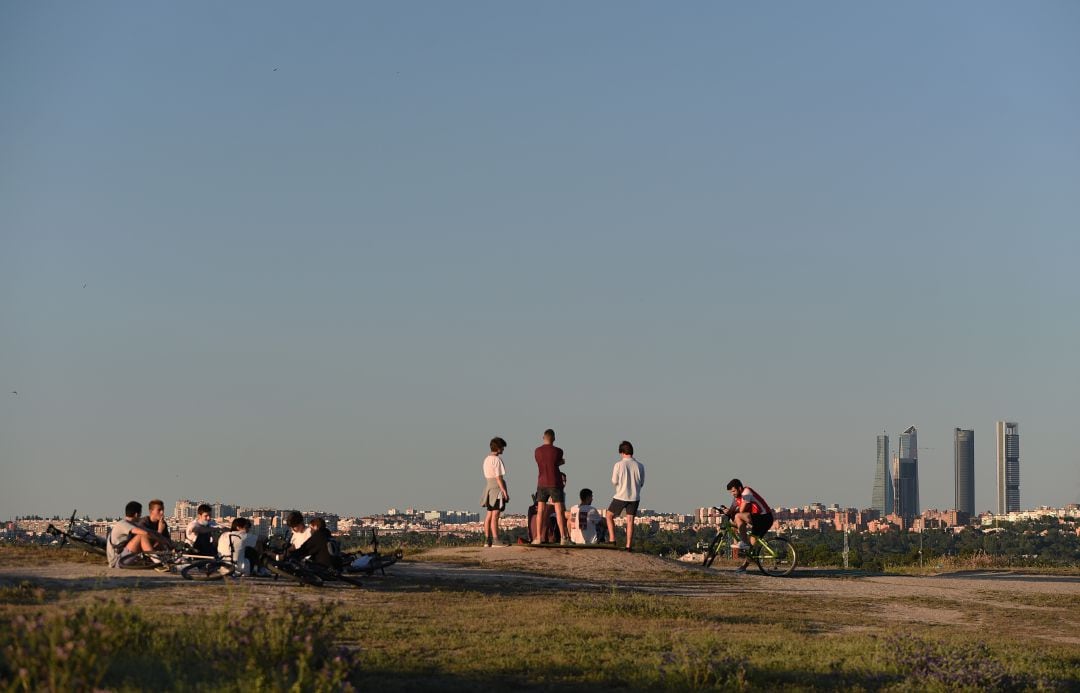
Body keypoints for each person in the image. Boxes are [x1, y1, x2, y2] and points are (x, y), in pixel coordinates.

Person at [723, 478, 774, 573]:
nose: (732, 494)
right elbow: (732, 509)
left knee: (738, 516)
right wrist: (726, 511)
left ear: (739, 488)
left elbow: (741, 510)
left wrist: (732, 512)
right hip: (758, 519)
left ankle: (743, 542)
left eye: (733, 491)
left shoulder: (746, 493)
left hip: (764, 518)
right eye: (731, 492)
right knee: (751, 546)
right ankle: (743, 567)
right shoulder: (737, 497)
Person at [605, 441, 645, 551]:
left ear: (622, 452)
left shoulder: (618, 465)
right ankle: (628, 546)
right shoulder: (640, 466)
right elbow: (641, 482)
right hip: (635, 497)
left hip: (621, 495)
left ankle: (612, 539)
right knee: (630, 520)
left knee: (609, 516)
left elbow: (614, 481)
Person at [533, 428, 569, 545]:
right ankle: (563, 537)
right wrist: (560, 463)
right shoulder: (558, 451)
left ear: (543, 438)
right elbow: (555, 463)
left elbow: (542, 463)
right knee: (559, 510)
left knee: (540, 511)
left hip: (542, 482)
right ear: (554, 439)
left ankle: (538, 537)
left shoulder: (537, 451)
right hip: (555, 482)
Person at [479, 436, 510, 548]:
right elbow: (498, 478)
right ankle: (496, 540)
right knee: (495, 515)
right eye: (502, 448)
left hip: (489, 487)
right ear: (498, 448)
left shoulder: (486, 459)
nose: (503, 450)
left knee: (489, 514)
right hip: (496, 489)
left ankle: (487, 540)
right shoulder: (497, 460)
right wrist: (504, 492)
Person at [107, 501, 156, 568]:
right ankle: (157, 561)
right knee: (141, 536)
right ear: (136, 514)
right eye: (140, 513)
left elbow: (149, 531)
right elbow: (145, 533)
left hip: (123, 556)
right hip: (117, 561)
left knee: (151, 537)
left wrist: (161, 538)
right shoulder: (123, 524)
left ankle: (165, 558)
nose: (141, 516)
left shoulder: (132, 524)